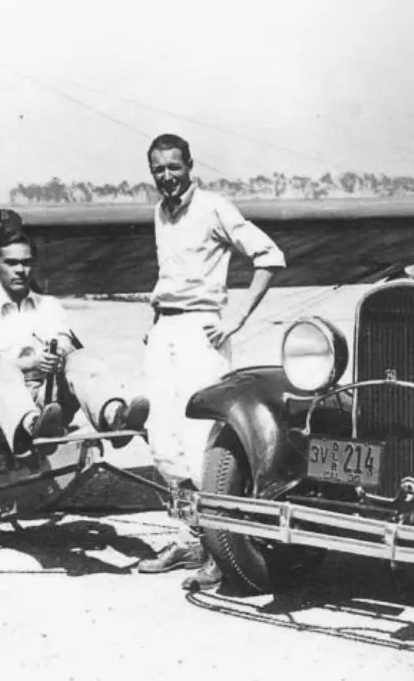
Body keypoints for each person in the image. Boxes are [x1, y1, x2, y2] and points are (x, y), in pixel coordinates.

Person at [137, 133, 286, 591]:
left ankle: (223, 552)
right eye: (159, 169)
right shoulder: (160, 212)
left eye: (174, 167)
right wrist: (156, 325)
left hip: (202, 331)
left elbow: (270, 256)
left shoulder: (214, 207)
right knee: (162, 438)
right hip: (165, 330)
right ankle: (190, 539)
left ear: (190, 165)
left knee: (203, 441)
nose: (167, 176)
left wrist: (236, 317)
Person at [0, 224, 149, 457]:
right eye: (11, 263)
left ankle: (115, 416)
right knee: (2, 372)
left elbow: (66, 342)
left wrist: (59, 354)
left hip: (47, 399)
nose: (20, 270)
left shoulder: (49, 305)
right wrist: (33, 362)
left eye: (26, 262)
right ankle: (32, 425)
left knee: (80, 357)